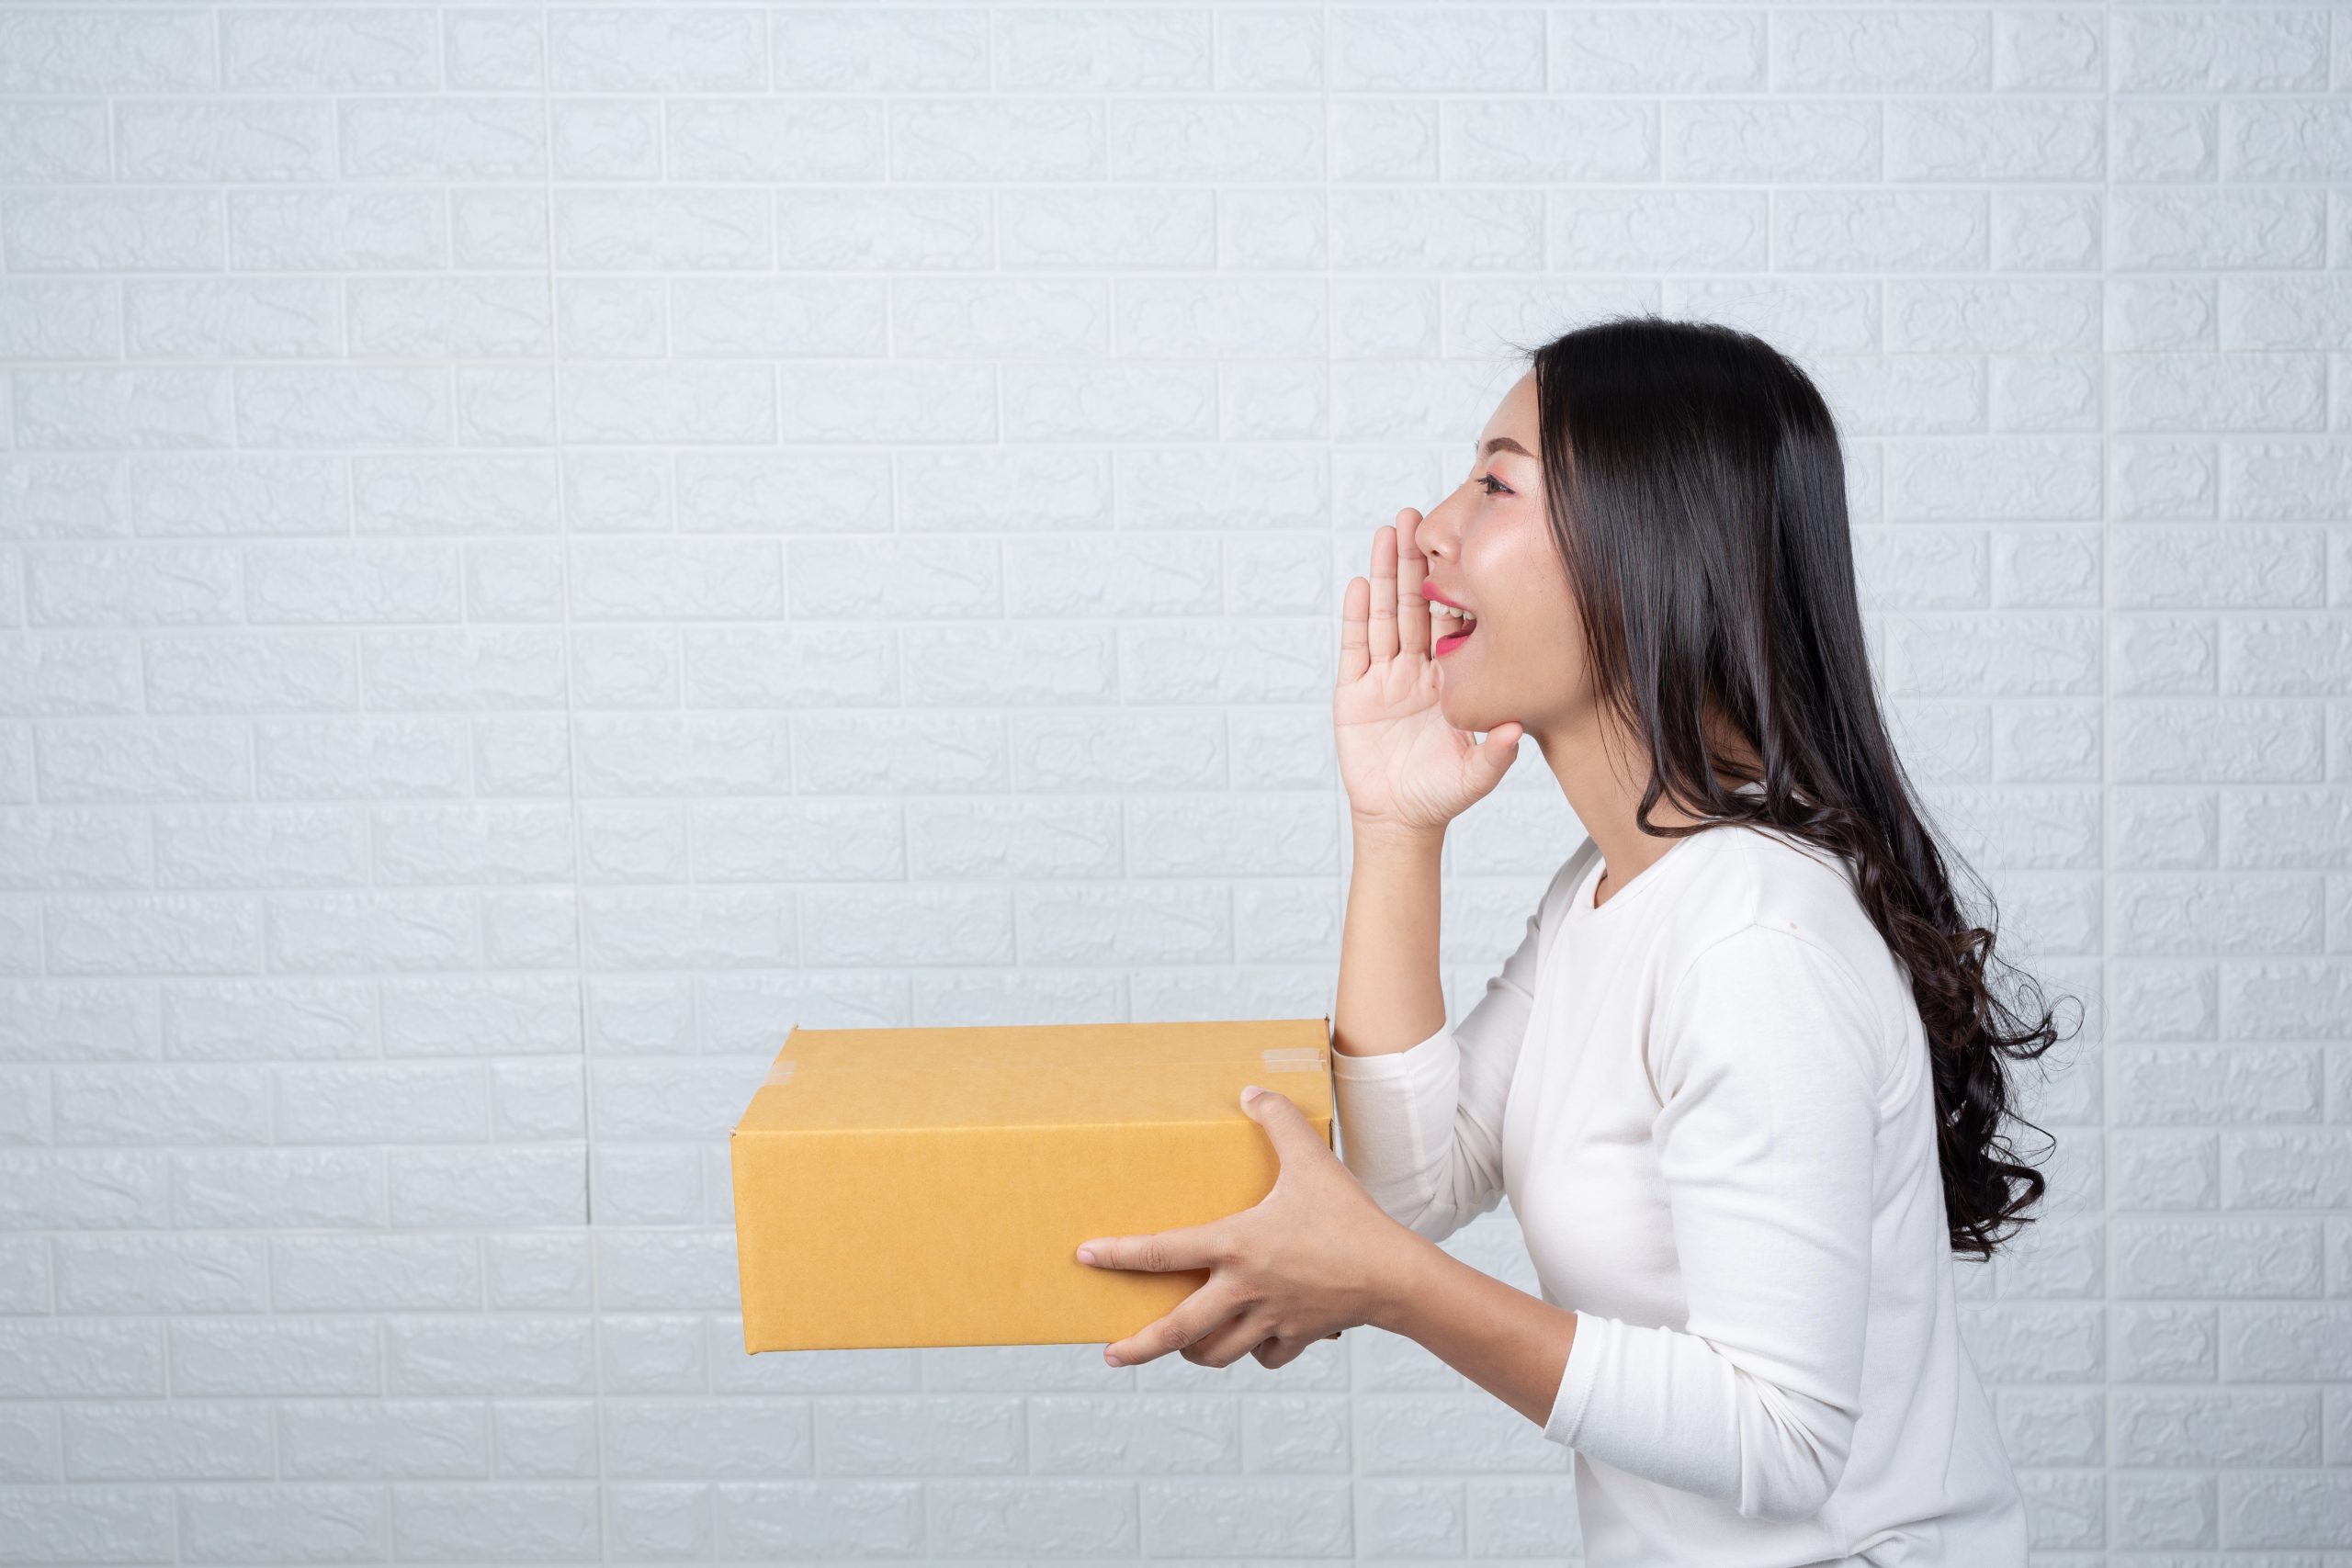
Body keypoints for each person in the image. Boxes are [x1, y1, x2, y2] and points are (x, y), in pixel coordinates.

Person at [1073, 314, 2073, 1565]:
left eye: (1496, 483)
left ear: (1649, 550)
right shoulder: (1609, 896)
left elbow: (1780, 1434)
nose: (1431, 526)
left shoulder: (1755, 943)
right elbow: (1410, 1180)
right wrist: (1394, 826)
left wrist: (1386, 1286)